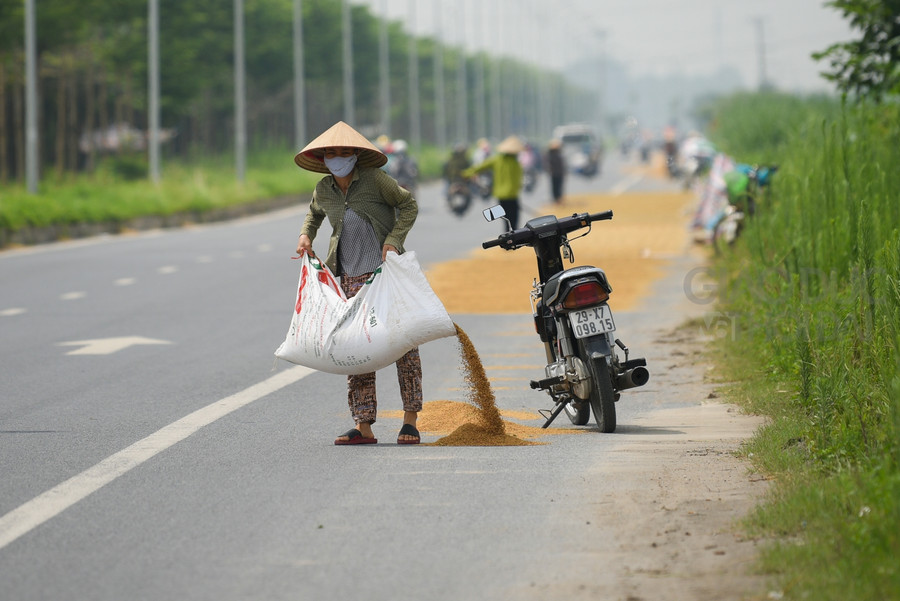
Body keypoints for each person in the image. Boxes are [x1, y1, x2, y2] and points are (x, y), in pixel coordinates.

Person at [294, 121, 422, 446]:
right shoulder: (324, 189)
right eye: (332, 153)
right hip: (350, 280)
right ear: (323, 158)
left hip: (386, 275)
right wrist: (305, 236)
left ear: (355, 155)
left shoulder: (376, 181)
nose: (338, 157)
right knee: (357, 351)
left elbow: (408, 204)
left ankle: (410, 420)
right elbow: (314, 214)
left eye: (344, 151)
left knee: (404, 347)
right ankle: (363, 425)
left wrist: (393, 239)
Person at [463, 135, 524, 230]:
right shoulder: (516, 163)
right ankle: (513, 238)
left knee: (505, 218)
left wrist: (467, 173)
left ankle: (507, 237)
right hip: (512, 195)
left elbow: (481, 166)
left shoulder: (497, 159)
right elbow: (518, 181)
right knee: (514, 219)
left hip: (500, 195)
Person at [545, 139, 567, 204]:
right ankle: (556, 199)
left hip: (559, 173)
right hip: (554, 173)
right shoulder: (550, 155)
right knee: (555, 187)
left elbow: (562, 164)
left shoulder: (558, 154)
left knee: (559, 186)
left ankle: (558, 198)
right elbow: (549, 164)